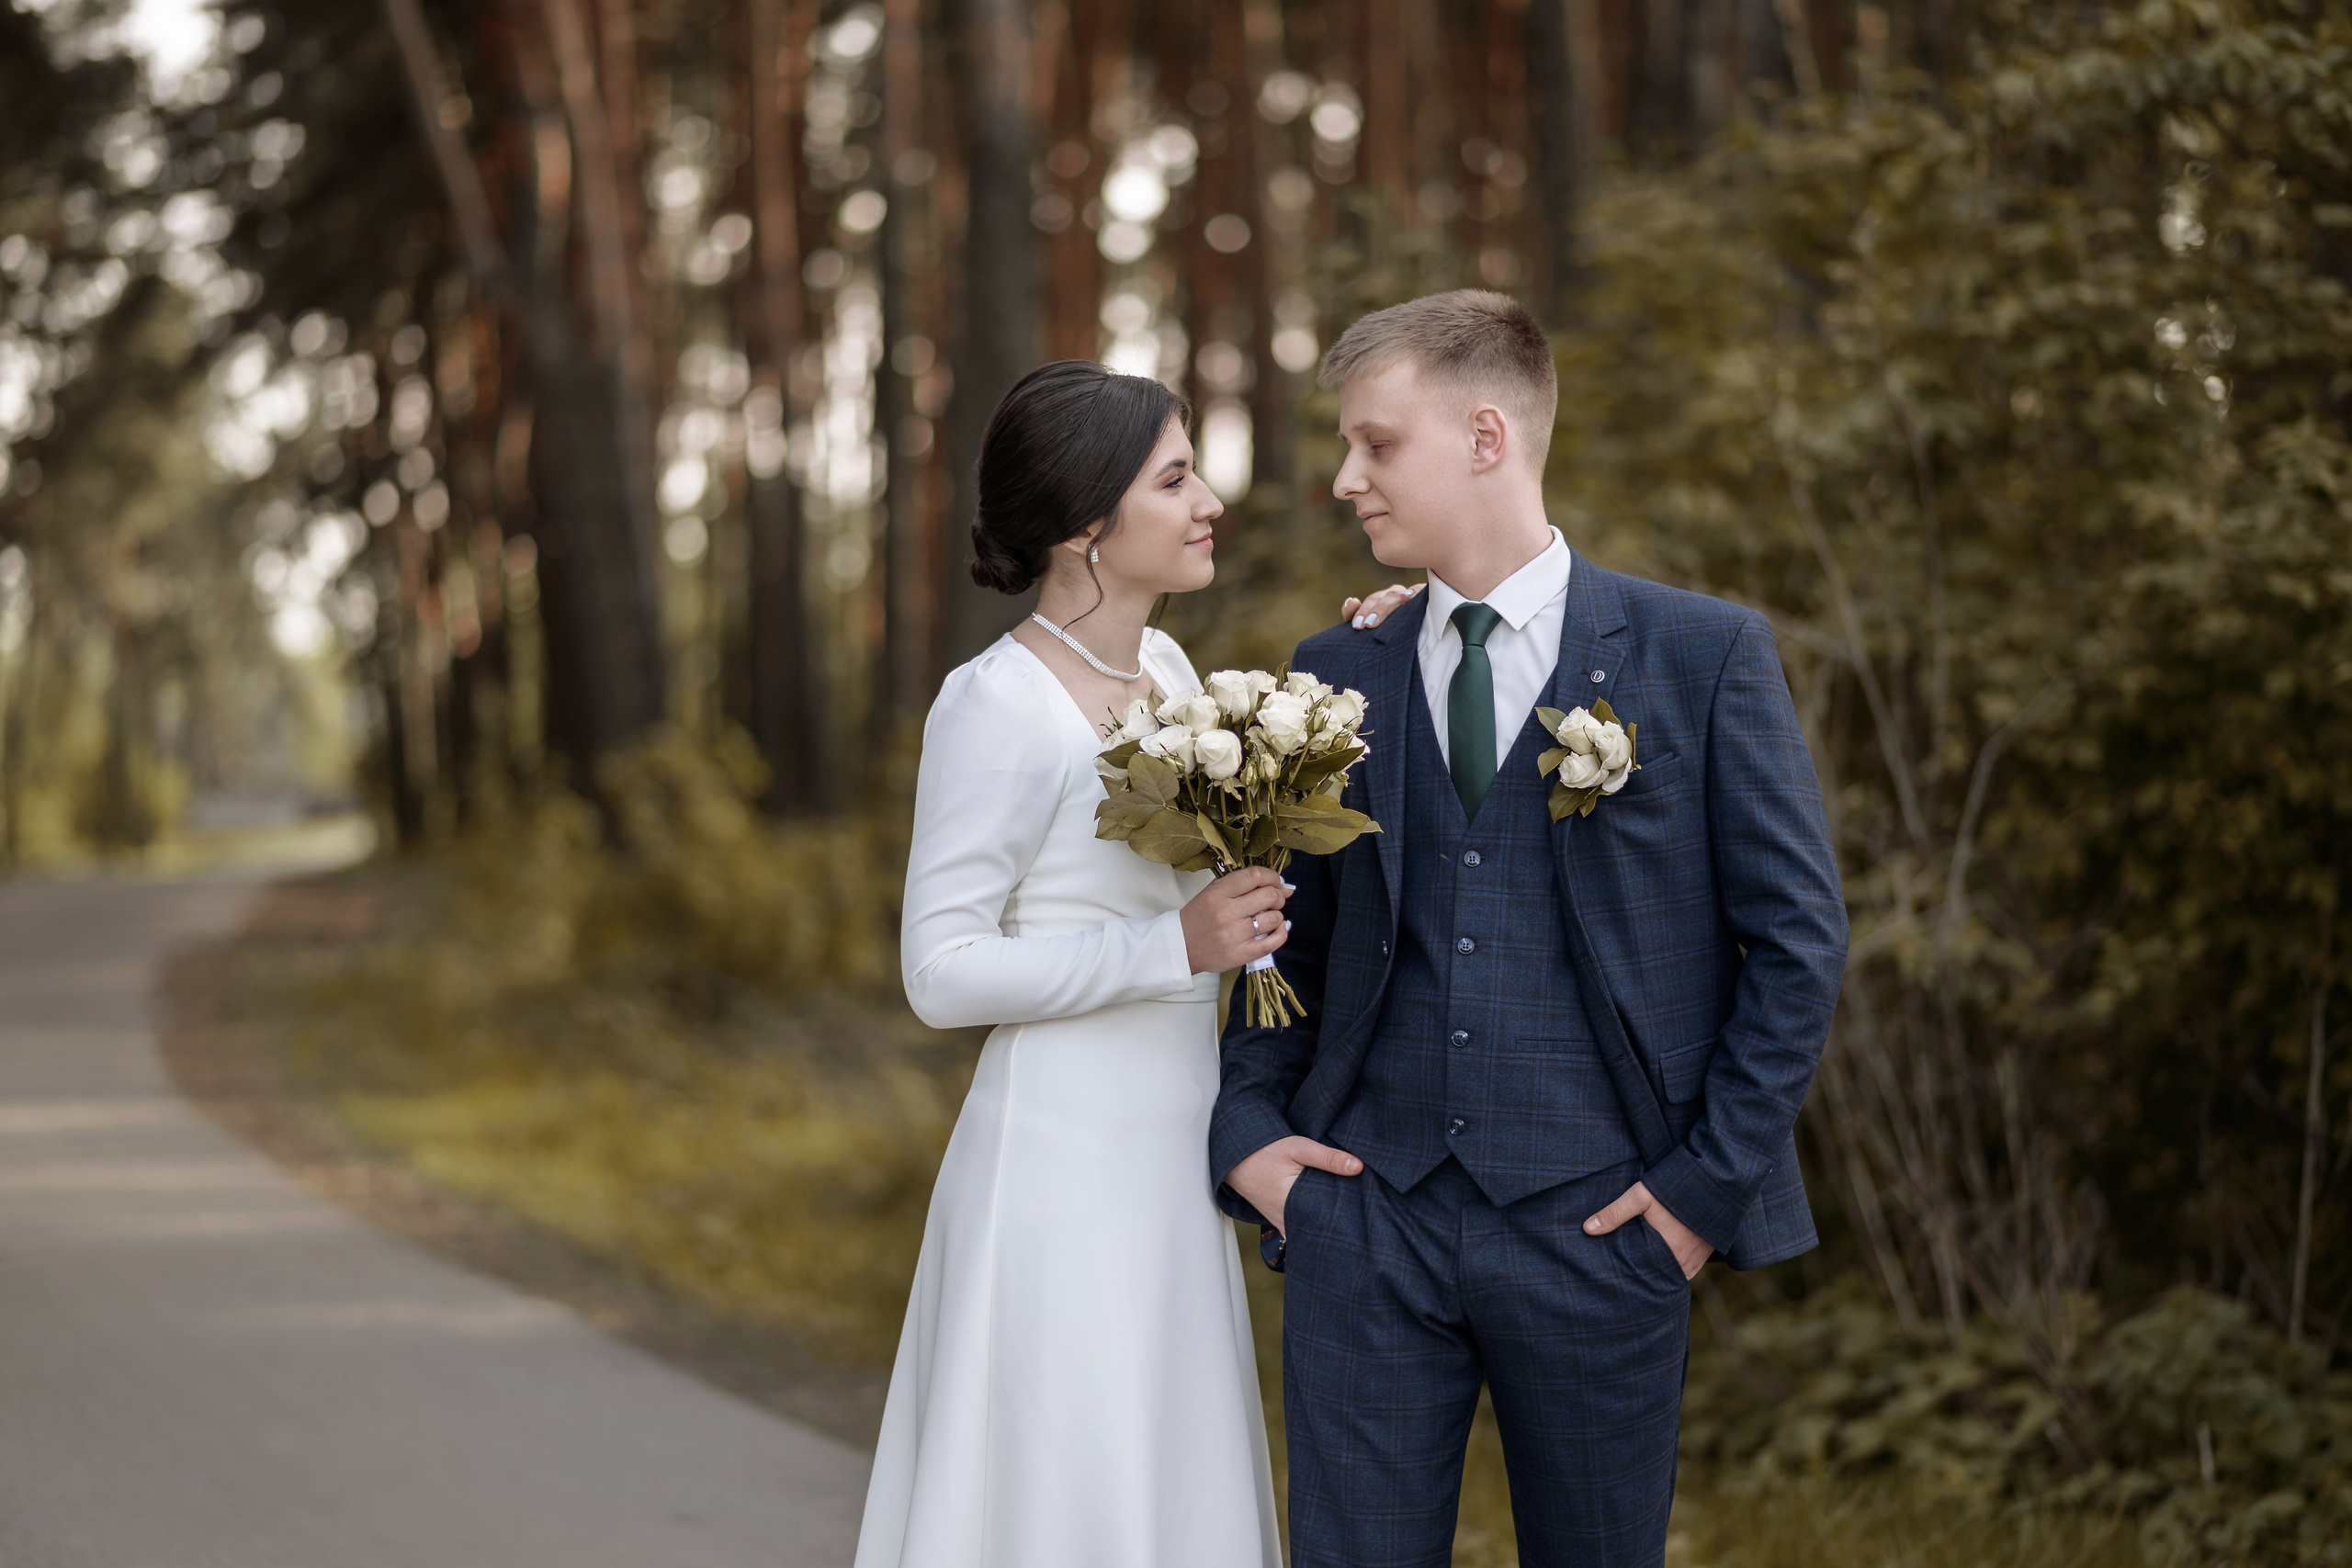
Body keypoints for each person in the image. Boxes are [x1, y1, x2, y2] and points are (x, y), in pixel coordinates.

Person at [1212, 290, 1850, 1568]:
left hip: (1606, 1229)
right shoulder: (1337, 672)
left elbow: (1797, 945)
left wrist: (1695, 1200)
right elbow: (1288, 933)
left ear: (1487, 437)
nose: (1346, 479)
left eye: (1376, 445)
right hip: (1364, 1220)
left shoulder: (1701, 655)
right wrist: (1254, 1137)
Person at [857, 359, 1412, 1568]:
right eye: (1175, 478)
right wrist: (1167, 947)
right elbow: (939, 971)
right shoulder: (992, 705)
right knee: (1073, 1478)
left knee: (1165, 1475)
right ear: (1083, 526)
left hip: (1175, 1142)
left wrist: (1393, 636)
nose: (1208, 499)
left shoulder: (1167, 675)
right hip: (1059, 1161)